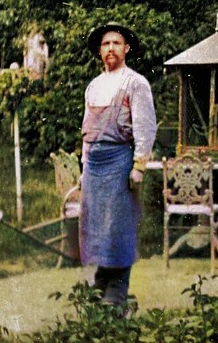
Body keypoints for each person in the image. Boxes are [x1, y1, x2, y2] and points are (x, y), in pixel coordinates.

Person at [79, 22, 156, 308]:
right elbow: (87, 131)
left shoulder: (135, 83)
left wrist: (139, 166)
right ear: (100, 52)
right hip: (95, 167)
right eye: (105, 44)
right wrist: (84, 167)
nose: (110, 48)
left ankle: (117, 292)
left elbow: (145, 128)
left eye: (116, 43)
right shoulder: (94, 86)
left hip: (120, 163)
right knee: (98, 229)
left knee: (118, 228)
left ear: (126, 48)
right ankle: (101, 281)